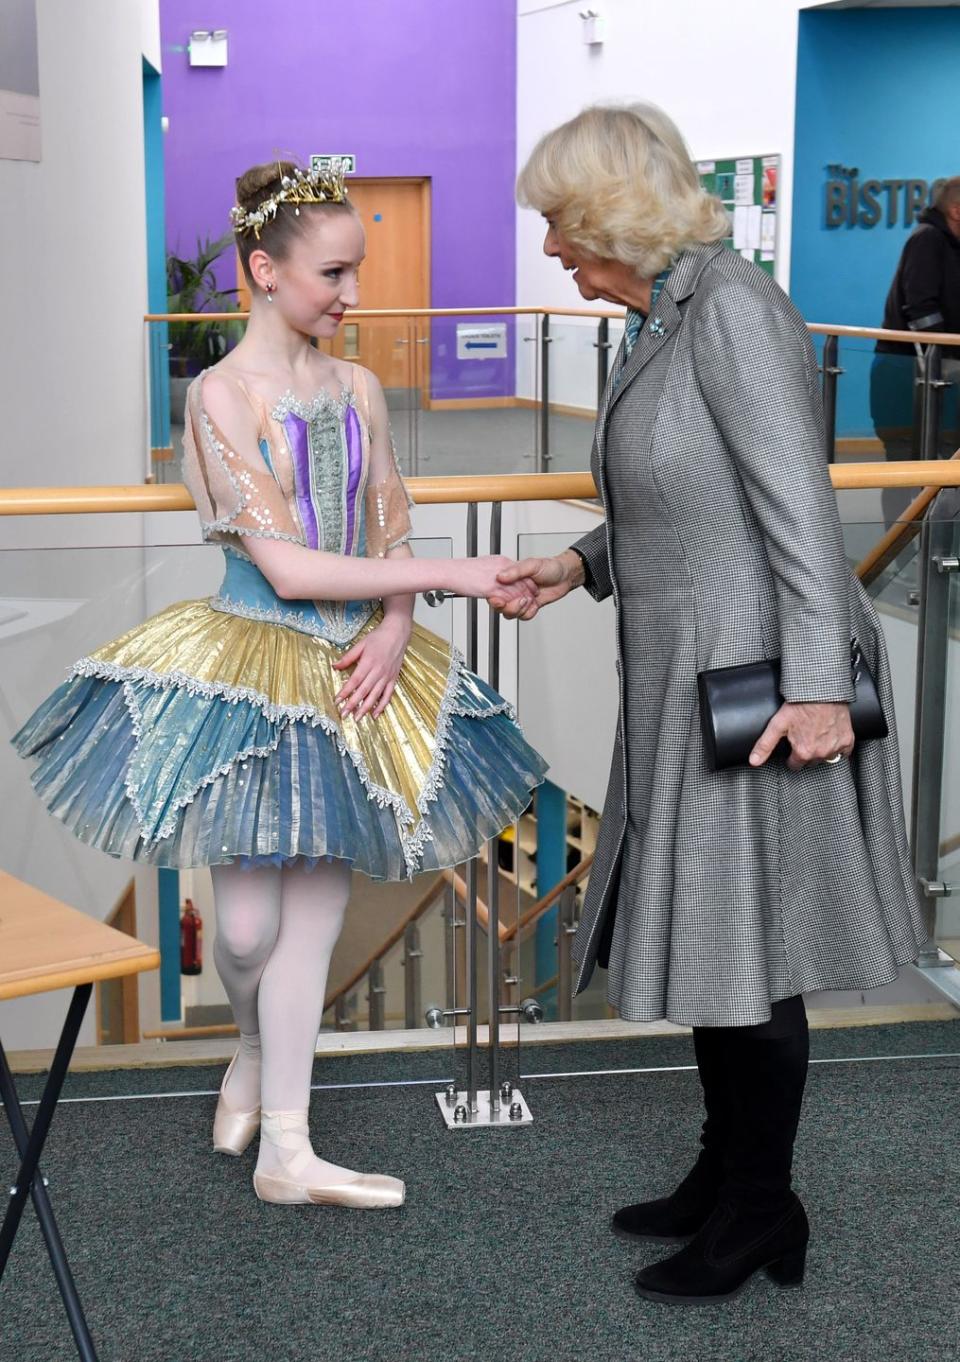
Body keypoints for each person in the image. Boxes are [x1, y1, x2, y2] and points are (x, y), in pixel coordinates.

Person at [14, 159, 546, 1209]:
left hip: (355, 670)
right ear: (264, 269)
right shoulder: (218, 396)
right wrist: (447, 577)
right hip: (251, 665)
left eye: (355, 272)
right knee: (248, 932)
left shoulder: (355, 389)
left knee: (308, 915)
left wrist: (397, 622)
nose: (352, 296)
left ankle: (288, 1150)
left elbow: (389, 517)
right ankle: (253, 1054)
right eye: (334, 273)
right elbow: (291, 569)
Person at [494, 105, 928, 1304]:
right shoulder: (663, 316)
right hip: (701, 672)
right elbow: (682, 497)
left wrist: (821, 692)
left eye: (557, 225)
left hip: (762, 683)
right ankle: (721, 1175)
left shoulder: (732, 311)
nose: (548, 253)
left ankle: (759, 1210)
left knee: (756, 951)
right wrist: (580, 564)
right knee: (717, 940)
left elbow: (796, 508)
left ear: (612, 217)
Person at [871, 176, 960, 523]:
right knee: (905, 470)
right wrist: (948, 358)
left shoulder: (948, 244)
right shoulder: (928, 240)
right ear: (956, 210)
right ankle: (903, 566)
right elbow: (921, 310)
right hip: (907, 379)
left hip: (935, 379)